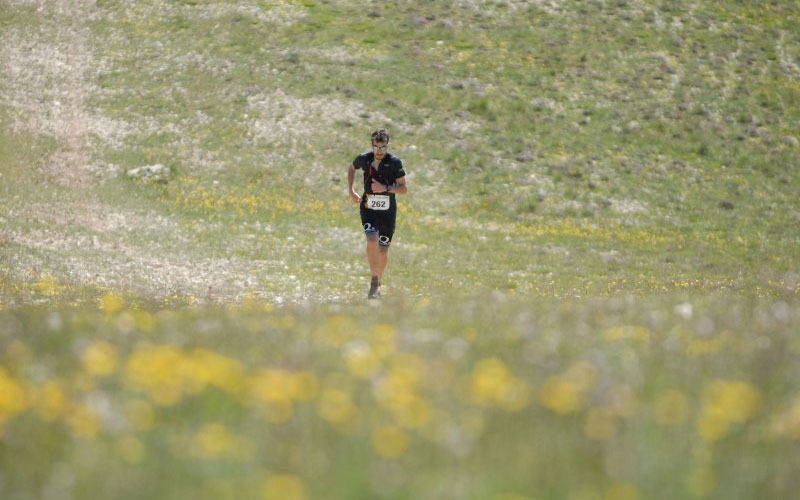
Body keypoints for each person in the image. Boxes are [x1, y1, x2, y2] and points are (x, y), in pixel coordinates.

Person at [348, 129, 408, 299]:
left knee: (382, 251)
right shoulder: (364, 159)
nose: (380, 152)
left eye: (383, 148)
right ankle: (374, 280)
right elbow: (352, 168)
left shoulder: (395, 163)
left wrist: (386, 188)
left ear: (387, 147)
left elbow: (404, 188)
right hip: (368, 207)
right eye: (377, 148)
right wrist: (351, 190)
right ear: (372, 146)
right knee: (372, 240)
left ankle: (378, 283)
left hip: (388, 211)